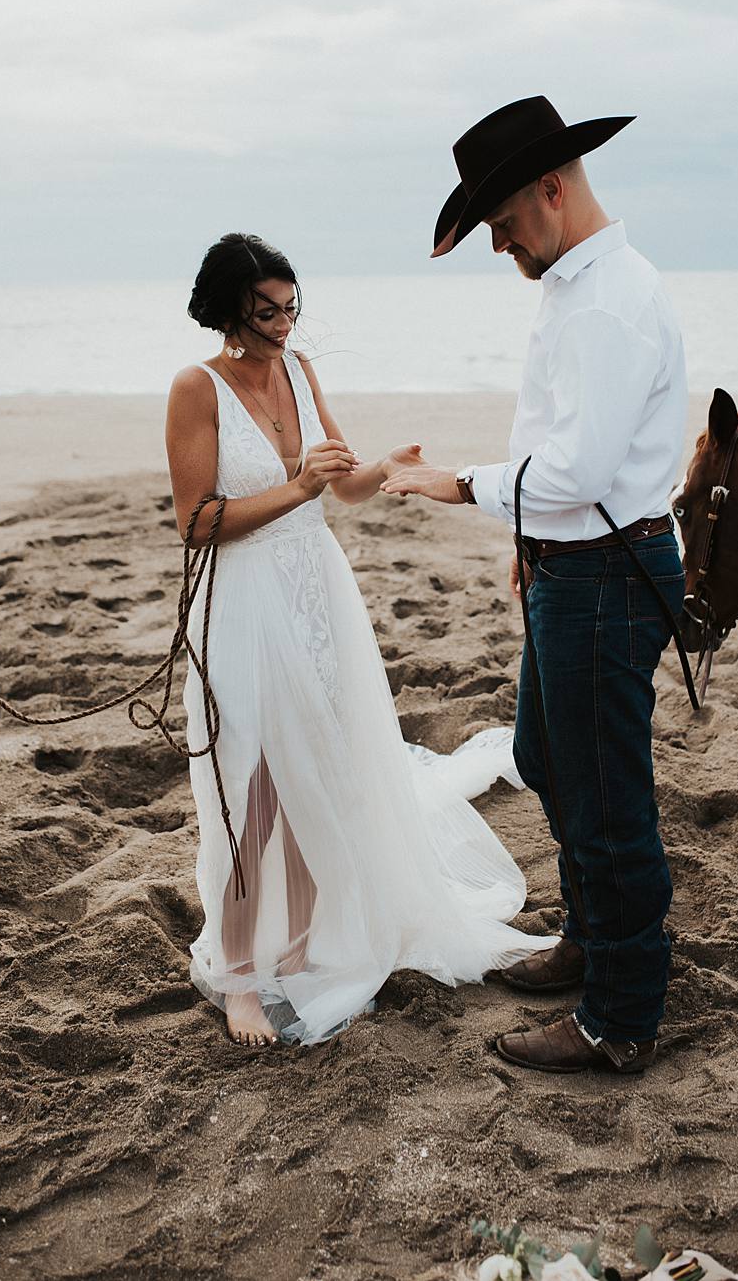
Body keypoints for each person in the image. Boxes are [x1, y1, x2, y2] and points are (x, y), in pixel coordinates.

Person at [164, 231, 556, 1048]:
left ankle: (304, 945)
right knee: (252, 784)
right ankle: (241, 977)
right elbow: (198, 523)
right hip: (243, 602)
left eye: (291, 307)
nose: (283, 324)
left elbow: (338, 488)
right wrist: (296, 485)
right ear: (228, 309)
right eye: (265, 311)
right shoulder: (194, 388)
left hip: (317, 592)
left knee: (321, 767)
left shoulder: (301, 372)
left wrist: (382, 468)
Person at [382, 97, 687, 1075]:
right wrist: (527, 541)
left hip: (604, 570)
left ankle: (619, 1017)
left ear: (551, 191)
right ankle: (590, 945)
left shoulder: (605, 300)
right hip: (570, 564)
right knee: (542, 757)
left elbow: (579, 474)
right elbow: (556, 448)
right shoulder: (574, 285)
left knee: (604, 799)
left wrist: (457, 484)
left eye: (503, 223)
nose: (496, 245)